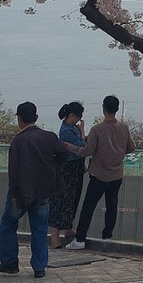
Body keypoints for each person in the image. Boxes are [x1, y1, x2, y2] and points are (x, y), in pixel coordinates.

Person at [0, 101, 72, 278]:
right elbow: (64, 154)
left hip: (22, 190)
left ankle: (9, 262)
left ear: (19, 119)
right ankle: (39, 267)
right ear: (36, 117)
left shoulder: (19, 141)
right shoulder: (49, 137)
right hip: (44, 189)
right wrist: (51, 166)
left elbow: (13, 170)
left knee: (8, 222)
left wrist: (14, 193)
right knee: (39, 227)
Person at [65, 94, 135, 248]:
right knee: (111, 206)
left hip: (99, 175)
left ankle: (80, 239)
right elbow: (132, 147)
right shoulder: (124, 128)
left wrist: (70, 147)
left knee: (88, 207)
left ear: (103, 108)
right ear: (117, 109)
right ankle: (107, 237)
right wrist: (118, 153)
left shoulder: (97, 130)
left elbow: (87, 151)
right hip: (116, 174)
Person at [48, 101, 87, 249]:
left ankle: (68, 227)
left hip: (76, 167)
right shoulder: (66, 131)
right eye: (78, 116)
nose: (79, 120)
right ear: (71, 115)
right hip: (68, 167)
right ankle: (55, 233)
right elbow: (82, 146)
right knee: (63, 199)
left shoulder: (71, 127)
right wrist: (82, 132)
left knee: (72, 198)